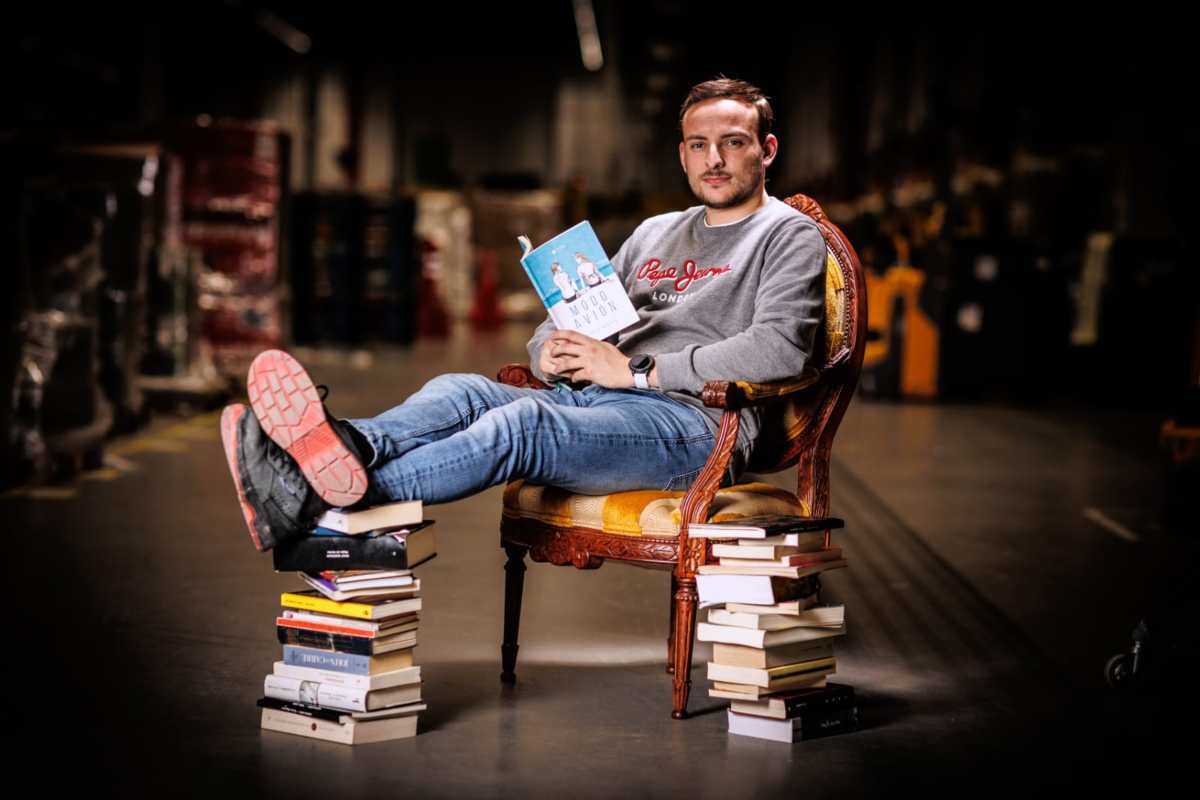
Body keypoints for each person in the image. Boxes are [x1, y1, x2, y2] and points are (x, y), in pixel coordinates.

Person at [221, 77, 827, 552]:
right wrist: (551, 349)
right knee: (459, 390)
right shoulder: (654, 233)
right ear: (683, 154)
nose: (714, 159)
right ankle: (344, 445)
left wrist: (637, 372)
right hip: (597, 399)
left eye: (734, 143)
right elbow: (569, 312)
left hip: (697, 427)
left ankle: (306, 497)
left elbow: (782, 349)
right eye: (700, 145)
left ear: (767, 150)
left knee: (522, 427)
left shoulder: (787, 234)